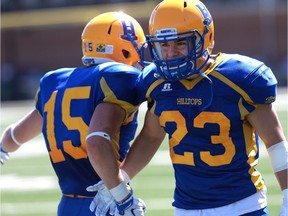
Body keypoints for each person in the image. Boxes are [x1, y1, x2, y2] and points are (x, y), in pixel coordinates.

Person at [90, 0, 288, 215]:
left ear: (206, 38)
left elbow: (275, 143)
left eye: (180, 43)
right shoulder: (155, 81)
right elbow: (151, 136)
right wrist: (121, 179)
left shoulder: (240, 78)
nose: (171, 53)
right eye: (164, 45)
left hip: (242, 205)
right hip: (186, 208)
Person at [0, 11, 147, 216]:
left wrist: (2, 148)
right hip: (104, 202)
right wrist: (123, 197)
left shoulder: (55, 81)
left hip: (67, 204)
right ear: (124, 50)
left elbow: (15, 135)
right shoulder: (117, 78)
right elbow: (96, 141)